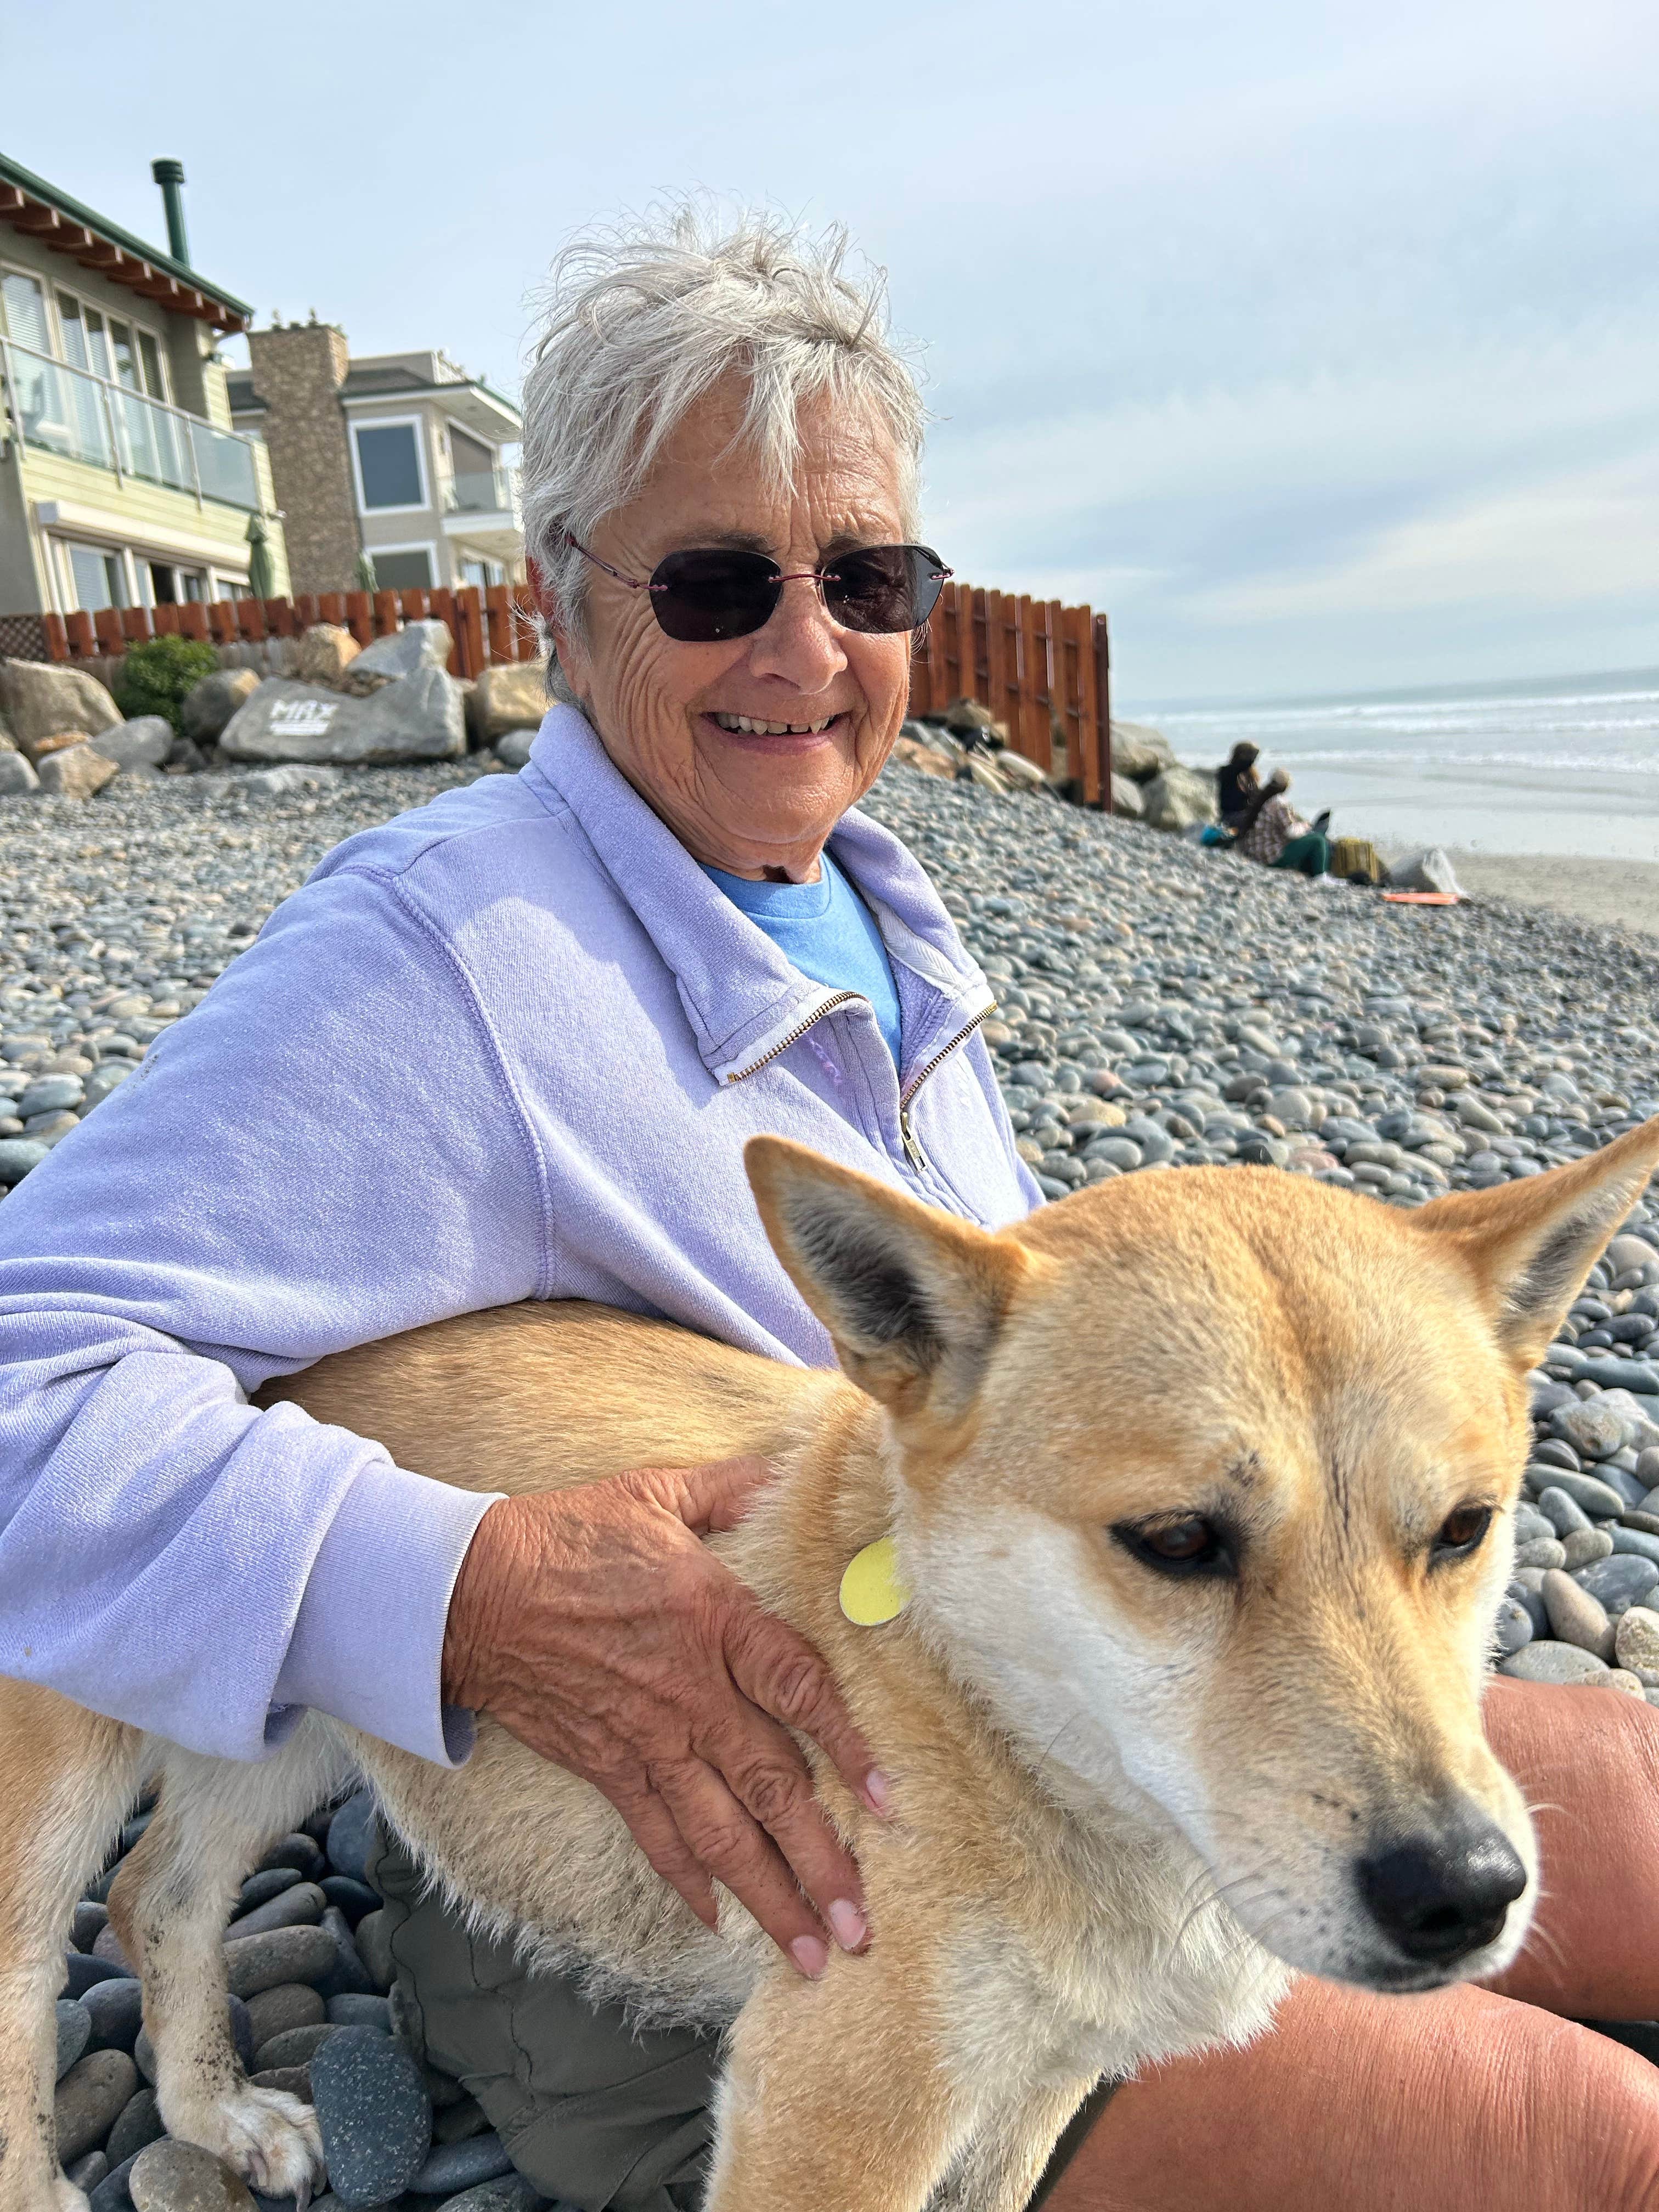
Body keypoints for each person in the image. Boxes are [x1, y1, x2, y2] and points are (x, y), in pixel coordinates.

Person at [2, 208, 1657, 2212]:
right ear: (557, 604)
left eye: (862, 575)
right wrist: (465, 1592)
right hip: (685, 1883)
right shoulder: (437, 957)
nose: (803, 647)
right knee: (1580, 2146)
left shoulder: (868, 916)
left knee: (1623, 1805)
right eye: (714, 583)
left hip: (995, 1707)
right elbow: (27, 1369)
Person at [1231, 766, 1333, 878]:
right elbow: (1291, 832)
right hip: (1270, 856)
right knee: (1318, 840)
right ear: (1286, 786)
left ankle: (1312, 873)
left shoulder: (1263, 798)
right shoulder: (1279, 803)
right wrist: (1305, 826)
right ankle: (1321, 875)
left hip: (1257, 852)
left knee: (1312, 838)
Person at [1215, 741, 1261, 826]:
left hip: (1243, 815)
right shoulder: (1227, 772)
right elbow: (1241, 765)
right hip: (1230, 817)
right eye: (1251, 756)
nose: (1253, 760)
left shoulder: (1249, 775)